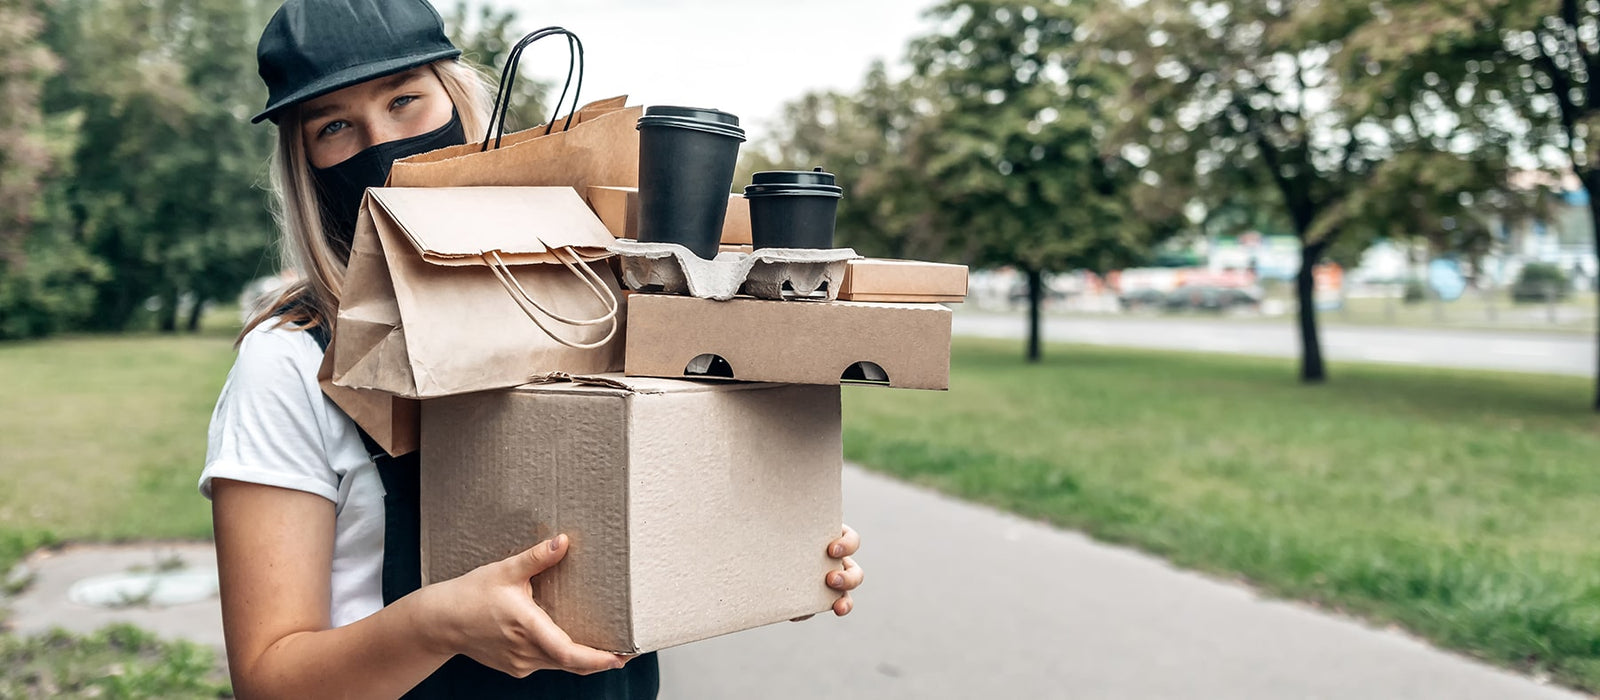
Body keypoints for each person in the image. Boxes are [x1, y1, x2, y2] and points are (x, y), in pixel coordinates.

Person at [199, 1, 865, 697]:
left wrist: (767, 545)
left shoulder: (589, 298)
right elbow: (268, 680)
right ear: (303, 162)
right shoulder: (289, 362)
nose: (380, 140)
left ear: (458, 102)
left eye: (404, 101)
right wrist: (438, 626)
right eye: (333, 125)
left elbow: (647, 523)